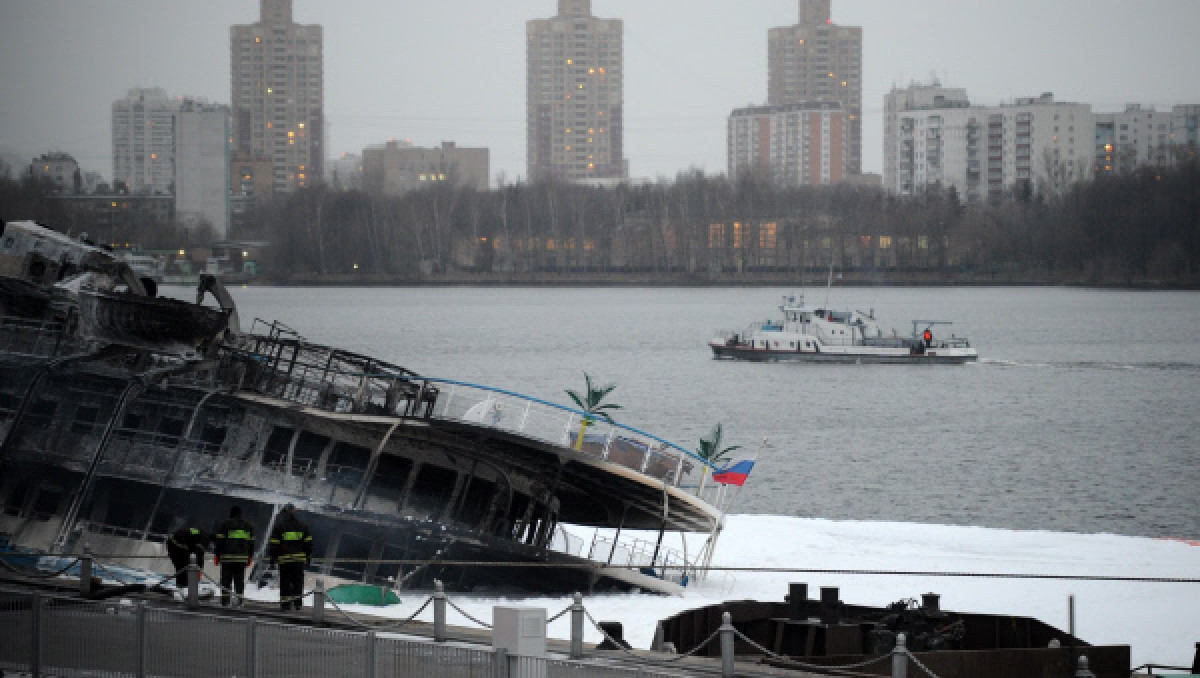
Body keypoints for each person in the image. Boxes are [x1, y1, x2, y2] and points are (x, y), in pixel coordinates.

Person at [268, 503, 313, 611]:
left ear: (284, 513)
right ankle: (297, 604)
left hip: (285, 560)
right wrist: (308, 557)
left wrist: (273, 559)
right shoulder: (303, 526)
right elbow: (308, 544)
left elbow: (274, 544)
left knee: (285, 581)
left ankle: (285, 604)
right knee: (298, 581)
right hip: (298, 560)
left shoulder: (279, 527)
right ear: (294, 512)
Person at [214, 505, 255, 607]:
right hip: (241, 559)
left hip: (227, 558)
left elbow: (219, 542)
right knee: (239, 581)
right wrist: (250, 556)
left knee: (226, 580)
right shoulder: (248, 526)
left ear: (231, 513)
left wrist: (217, 555)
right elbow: (251, 544)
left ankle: (225, 602)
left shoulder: (225, 524)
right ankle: (239, 601)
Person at [166, 525, 209, 590]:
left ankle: (183, 588)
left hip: (173, 543)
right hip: (176, 546)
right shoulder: (203, 539)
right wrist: (199, 569)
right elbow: (199, 555)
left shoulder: (198, 534)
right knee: (182, 568)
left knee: (182, 568)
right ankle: (184, 589)